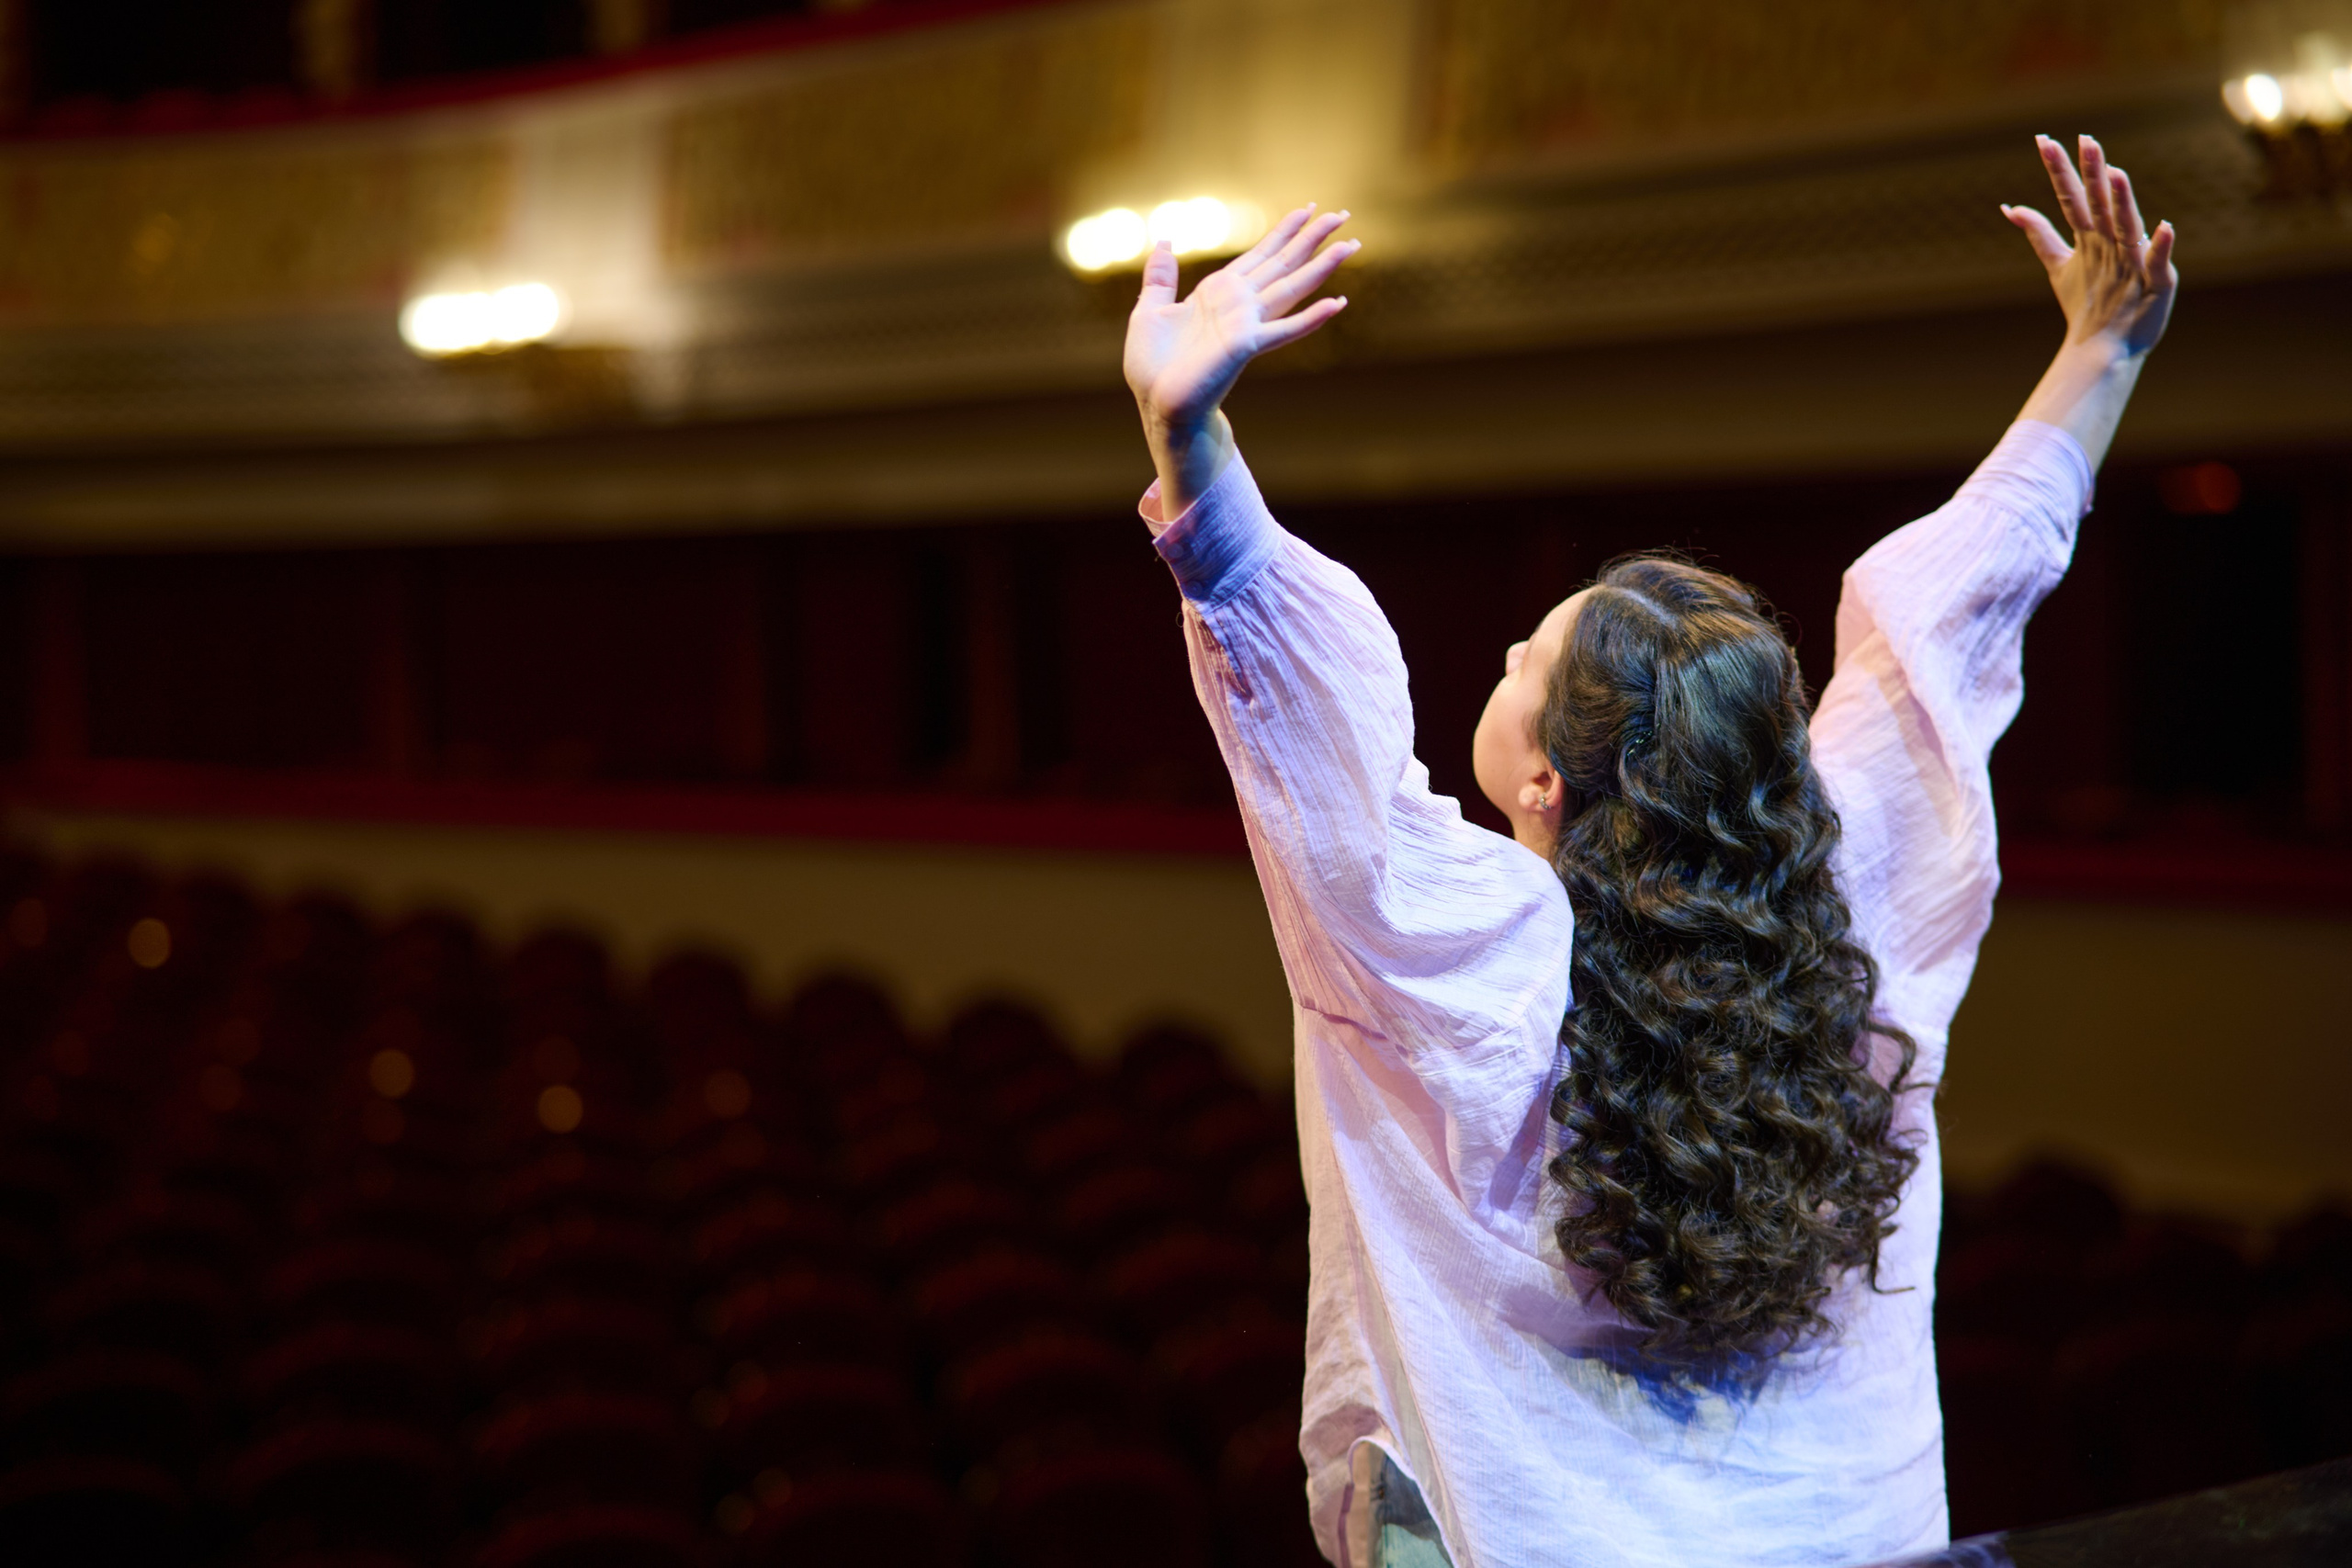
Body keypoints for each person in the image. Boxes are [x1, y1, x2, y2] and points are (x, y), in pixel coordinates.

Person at [1120, 134, 2177, 1568]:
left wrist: (1193, 447)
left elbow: (1323, 756)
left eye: (1522, 661)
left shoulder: (1471, 957)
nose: (1500, 650)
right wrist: (2104, 354)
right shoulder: (1838, 896)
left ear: (1547, 777)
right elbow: (1956, 612)